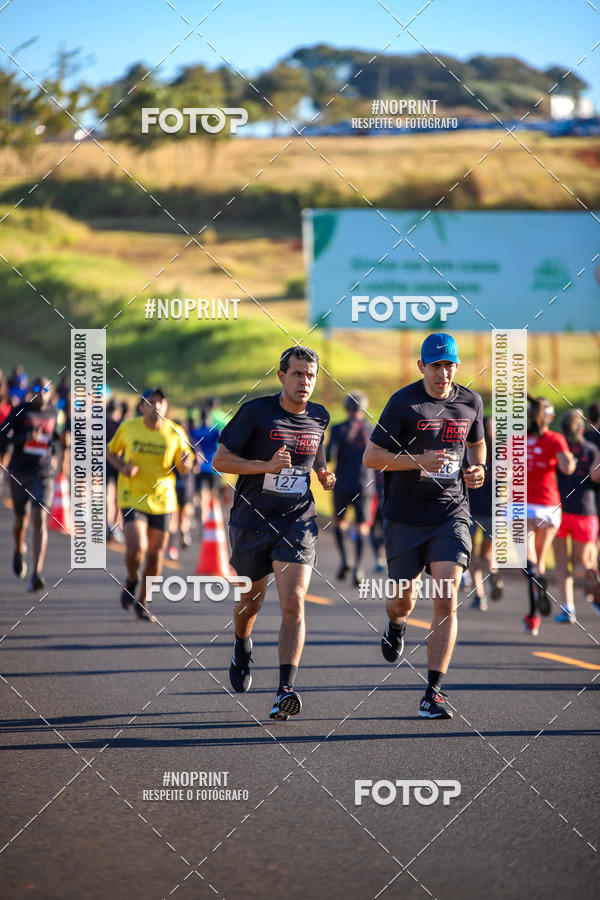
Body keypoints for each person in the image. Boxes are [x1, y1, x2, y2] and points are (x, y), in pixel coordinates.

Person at [363, 333, 486, 720]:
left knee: (447, 597)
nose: (443, 372)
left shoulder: (470, 402)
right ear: (422, 367)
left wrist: (477, 468)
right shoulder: (404, 402)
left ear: (457, 366)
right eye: (435, 365)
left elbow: (477, 444)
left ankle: (433, 692)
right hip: (405, 516)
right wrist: (418, 461)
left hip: (451, 514)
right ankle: (396, 624)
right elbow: (371, 456)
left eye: (449, 365)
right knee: (404, 600)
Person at [212, 346, 335, 721]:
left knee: (293, 602)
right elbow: (220, 460)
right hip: (251, 520)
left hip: (297, 521)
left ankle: (285, 691)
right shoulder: (255, 412)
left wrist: (324, 474)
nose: (305, 382)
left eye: (311, 375)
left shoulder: (320, 416)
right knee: (251, 602)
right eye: (297, 374)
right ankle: (242, 644)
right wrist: (264, 465)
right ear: (282, 376)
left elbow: (316, 452)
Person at [106, 388, 193, 621]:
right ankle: (132, 579)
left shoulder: (176, 432)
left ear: (167, 407)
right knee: (137, 548)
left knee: (155, 556)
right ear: (142, 406)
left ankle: (142, 603)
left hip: (163, 500)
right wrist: (123, 467)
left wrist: (187, 462)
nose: (156, 406)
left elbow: (185, 465)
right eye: (150, 402)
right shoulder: (129, 427)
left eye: (160, 402)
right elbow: (111, 451)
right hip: (132, 495)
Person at [0, 377, 66, 591]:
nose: (41, 392)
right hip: (20, 471)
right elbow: (2, 435)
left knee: (39, 519)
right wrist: (24, 438)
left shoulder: (55, 413)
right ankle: (19, 549)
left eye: (45, 389)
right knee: (21, 520)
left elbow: (55, 437)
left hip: (43, 473)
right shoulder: (21, 410)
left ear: (51, 392)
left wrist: (57, 450)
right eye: (37, 389)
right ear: (31, 391)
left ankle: (37, 572)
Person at [524, 396, 575, 635]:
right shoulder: (556, 439)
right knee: (541, 562)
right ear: (549, 417)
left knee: (529, 563)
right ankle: (538, 581)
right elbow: (567, 467)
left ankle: (533, 616)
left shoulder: (517, 440)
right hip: (549, 506)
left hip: (522, 505)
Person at [553, 410, 600, 622]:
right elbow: (596, 477)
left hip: (560, 511)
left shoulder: (559, 450)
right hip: (586, 512)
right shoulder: (592, 450)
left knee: (561, 563)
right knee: (583, 564)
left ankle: (568, 607)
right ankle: (591, 575)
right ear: (581, 428)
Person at [326, 391, 374, 585]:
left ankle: (346, 559)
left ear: (346, 408)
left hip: (342, 483)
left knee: (339, 522)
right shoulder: (371, 429)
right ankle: (358, 568)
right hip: (365, 484)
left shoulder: (338, 429)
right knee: (362, 527)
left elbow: (329, 456)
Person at [467, 416, 503, 611]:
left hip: (472, 507)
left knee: (472, 553)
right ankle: (493, 572)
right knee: (488, 552)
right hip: (493, 509)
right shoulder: (501, 452)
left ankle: (479, 595)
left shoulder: (471, 451)